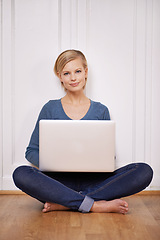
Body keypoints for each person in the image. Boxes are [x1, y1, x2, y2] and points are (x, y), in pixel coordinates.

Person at [13, 49, 153, 214]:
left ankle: (67, 202)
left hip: (95, 181)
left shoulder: (101, 110)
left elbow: (109, 157)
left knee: (144, 170)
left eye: (78, 71)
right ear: (60, 76)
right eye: (67, 73)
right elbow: (31, 151)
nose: (73, 78)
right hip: (59, 182)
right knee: (20, 173)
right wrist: (55, 161)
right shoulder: (50, 108)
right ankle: (95, 204)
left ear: (86, 72)